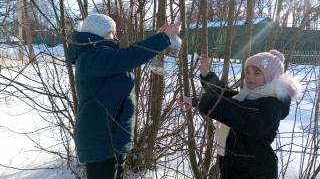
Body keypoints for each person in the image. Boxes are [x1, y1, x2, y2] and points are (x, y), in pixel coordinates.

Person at [67, 13, 182, 179]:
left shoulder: (100, 56)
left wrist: (158, 38)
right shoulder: (93, 57)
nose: (116, 36)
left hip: (112, 138)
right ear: (98, 33)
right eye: (112, 32)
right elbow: (131, 56)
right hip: (101, 140)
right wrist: (164, 38)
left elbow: (127, 59)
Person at [178, 50, 301, 179]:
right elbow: (225, 96)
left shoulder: (271, 105)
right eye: (247, 72)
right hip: (236, 169)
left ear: (270, 77)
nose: (250, 77)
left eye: (256, 73)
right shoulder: (248, 96)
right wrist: (206, 74)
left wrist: (199, 102)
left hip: (256, 172)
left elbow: (238, 112)